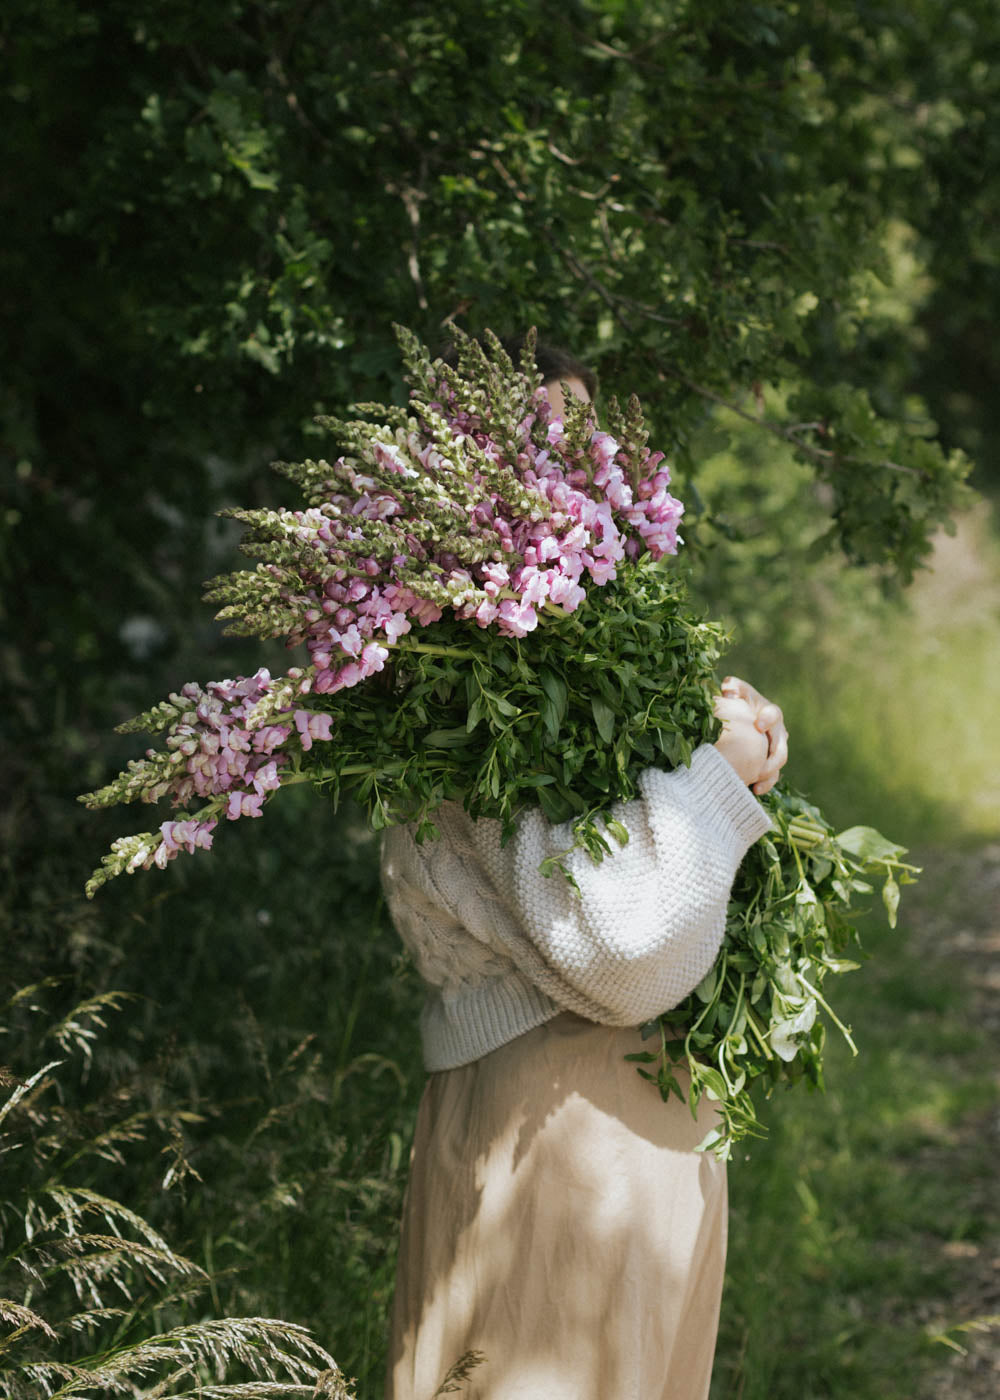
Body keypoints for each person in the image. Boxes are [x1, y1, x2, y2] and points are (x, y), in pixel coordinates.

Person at [379, 344, 789, 1400]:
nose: (575, 486)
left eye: (582, 454)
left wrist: (718, 741)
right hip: (562, 1126)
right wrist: (715, 782)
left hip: (607, 1118)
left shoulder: (553, 658)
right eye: (541, 454)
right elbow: (619, 952)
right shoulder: (477, 683)